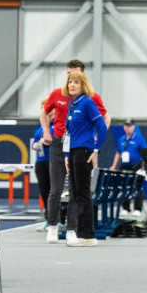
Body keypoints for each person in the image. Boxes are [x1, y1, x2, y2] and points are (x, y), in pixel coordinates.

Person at [38, 60, 109, 241]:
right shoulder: (61, 96)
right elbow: (44, 113)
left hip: (81, 147)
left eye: (76, 78)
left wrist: (95, 145)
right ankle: (53, 226)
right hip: (61, 145)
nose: (71, 81)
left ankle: (74, 230)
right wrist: (46, 131)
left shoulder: (89, 99)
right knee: (57, 188)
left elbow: (104, 120)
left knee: (77, 191)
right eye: (69, 76)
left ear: (83, 77)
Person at [60, 72, 108, 247]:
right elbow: (69, 133)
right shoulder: (73, 105)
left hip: (83, 151)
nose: (72, 85)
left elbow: (101, 126)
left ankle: (87, 236)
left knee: (83, 193)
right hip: (73, 151)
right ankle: (82, 234)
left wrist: (96, 149)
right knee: (76, 193)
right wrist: (67, 156)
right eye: (70, 82)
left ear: (83, 85)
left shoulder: (87, 103)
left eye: (76, 82)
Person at [112, 119, 147, 214]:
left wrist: (144, 165)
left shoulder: (139, 139)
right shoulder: (121, 139)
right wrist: (113, 165)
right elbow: (118, 153)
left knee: (138, 187)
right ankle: (125, 208)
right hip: (124, 166)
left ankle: (137, 209)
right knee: (124, 187)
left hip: (137, 166)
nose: (127, 128)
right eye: (126, 126)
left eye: (129, 126)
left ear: (133, 127)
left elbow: (145, 153)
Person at [31, 115, 52, 232]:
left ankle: (58, 219)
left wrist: (46, 141)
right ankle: (48, 219)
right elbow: (35, 142)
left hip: (52, 160)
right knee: (44, 191)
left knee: (54, 192)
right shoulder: (40, 125)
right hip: (40, 161)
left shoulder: (56, 124)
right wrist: (38, 144)